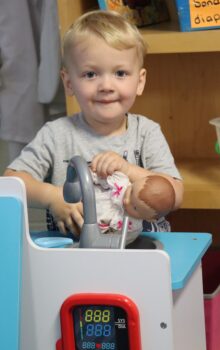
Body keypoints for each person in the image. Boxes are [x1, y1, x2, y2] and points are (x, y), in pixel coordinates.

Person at [4, 10, 183, 243]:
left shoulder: (146, 132)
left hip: (141, 249)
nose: (106, 85)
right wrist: (52, 197)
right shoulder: (55, 134)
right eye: (90, 74)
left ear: (139, 82)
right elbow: (11, 181)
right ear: (69, 83)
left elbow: (176, 195)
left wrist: (128, 170)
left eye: (120, 73)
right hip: (75, 252)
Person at [91, 170, 175, 244]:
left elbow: (118, 243)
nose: (126, 201)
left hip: (90, 229)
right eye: (131, 192)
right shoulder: (121, 181)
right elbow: (95, 177)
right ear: (135, 182)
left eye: (135, 208)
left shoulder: (133, 228)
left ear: (149, 219)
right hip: (86, 196)